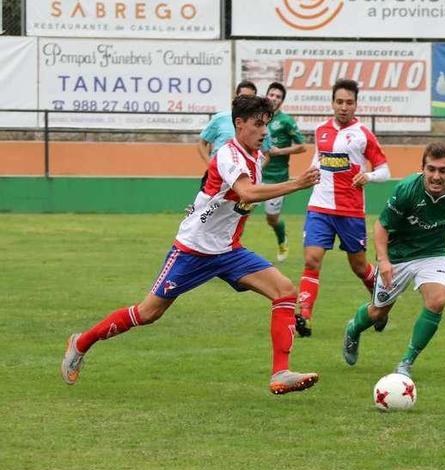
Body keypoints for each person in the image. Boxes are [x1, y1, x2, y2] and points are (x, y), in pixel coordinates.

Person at [61, 95, 323, 395]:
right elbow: (246, 193)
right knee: (148, 313)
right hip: (192, 251)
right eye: (258, 124)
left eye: (267, 124)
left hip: (228, 251)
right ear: (239, 124)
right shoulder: (229, 154)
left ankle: (281, 373)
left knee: (285, 290)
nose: (265, 131)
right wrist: (296, 183)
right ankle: (81, 342)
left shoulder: (254, 157)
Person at [341, 142, 445, 378]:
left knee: (438, 300)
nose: (436, 176)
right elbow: (381, 225)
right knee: (377, 313)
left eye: (443, 170)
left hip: (433, 254)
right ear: (422, 169)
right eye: (431, 169)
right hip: (398, 256)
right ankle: (353, 328)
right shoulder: (407, 190)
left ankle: (406, 363)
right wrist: (384, 260)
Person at [295, 78, 391, 337]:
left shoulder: (363, 134)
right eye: (339, 102)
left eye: (349, 102)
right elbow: (318, 158)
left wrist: (368, 177)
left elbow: (385, 170)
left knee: (359, 267)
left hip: (350, 210)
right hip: (320, 206)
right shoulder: (321, 130)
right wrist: (309, 173)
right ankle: (304, 316)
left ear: (356, 104)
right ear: (332, 103)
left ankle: (382, 303)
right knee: (311, 259)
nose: (344, 107)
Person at [263, 81, 308, 262]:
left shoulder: (286, 121)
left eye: (278, 97)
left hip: (277, 178)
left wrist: (279, 152)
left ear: (281, 102)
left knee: (271, 219)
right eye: (271, 95)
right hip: (255, 175)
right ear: (266, 95)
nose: (274, 98)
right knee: (239, 213)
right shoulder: (258, 117)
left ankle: (282, 240)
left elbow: (302, 146)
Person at [197, 81, 271, 165]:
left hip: (244, 175)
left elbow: (266, 155)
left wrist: (255, 170)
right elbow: (202, 143)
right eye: (243, 97)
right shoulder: (220, 118)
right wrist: (211, 164)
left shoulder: (262, 127)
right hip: (217, 174)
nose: (246, 103)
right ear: (236, 97)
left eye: (250, 99)